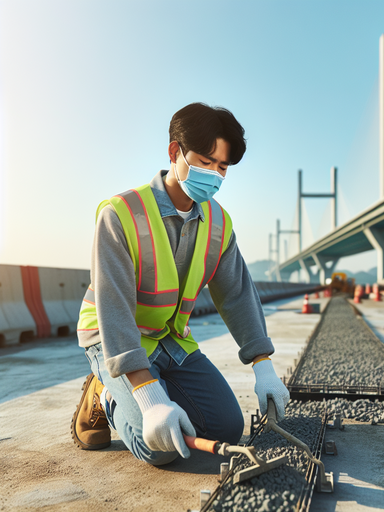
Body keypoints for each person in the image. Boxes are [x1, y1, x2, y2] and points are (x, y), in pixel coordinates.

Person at [71, 102, 290, 465]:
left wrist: (263, 365)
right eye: (206, 161)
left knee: (225, 427)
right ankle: (106, 392)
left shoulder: (218, 223)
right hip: (112, 337)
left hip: (169, 339)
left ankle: (144, 385)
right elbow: (115, 310)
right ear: (176, 152)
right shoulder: (121, 213)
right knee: (157, 446)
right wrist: (149, 397)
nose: (215, 175)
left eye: (223, 167)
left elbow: (236, 294)